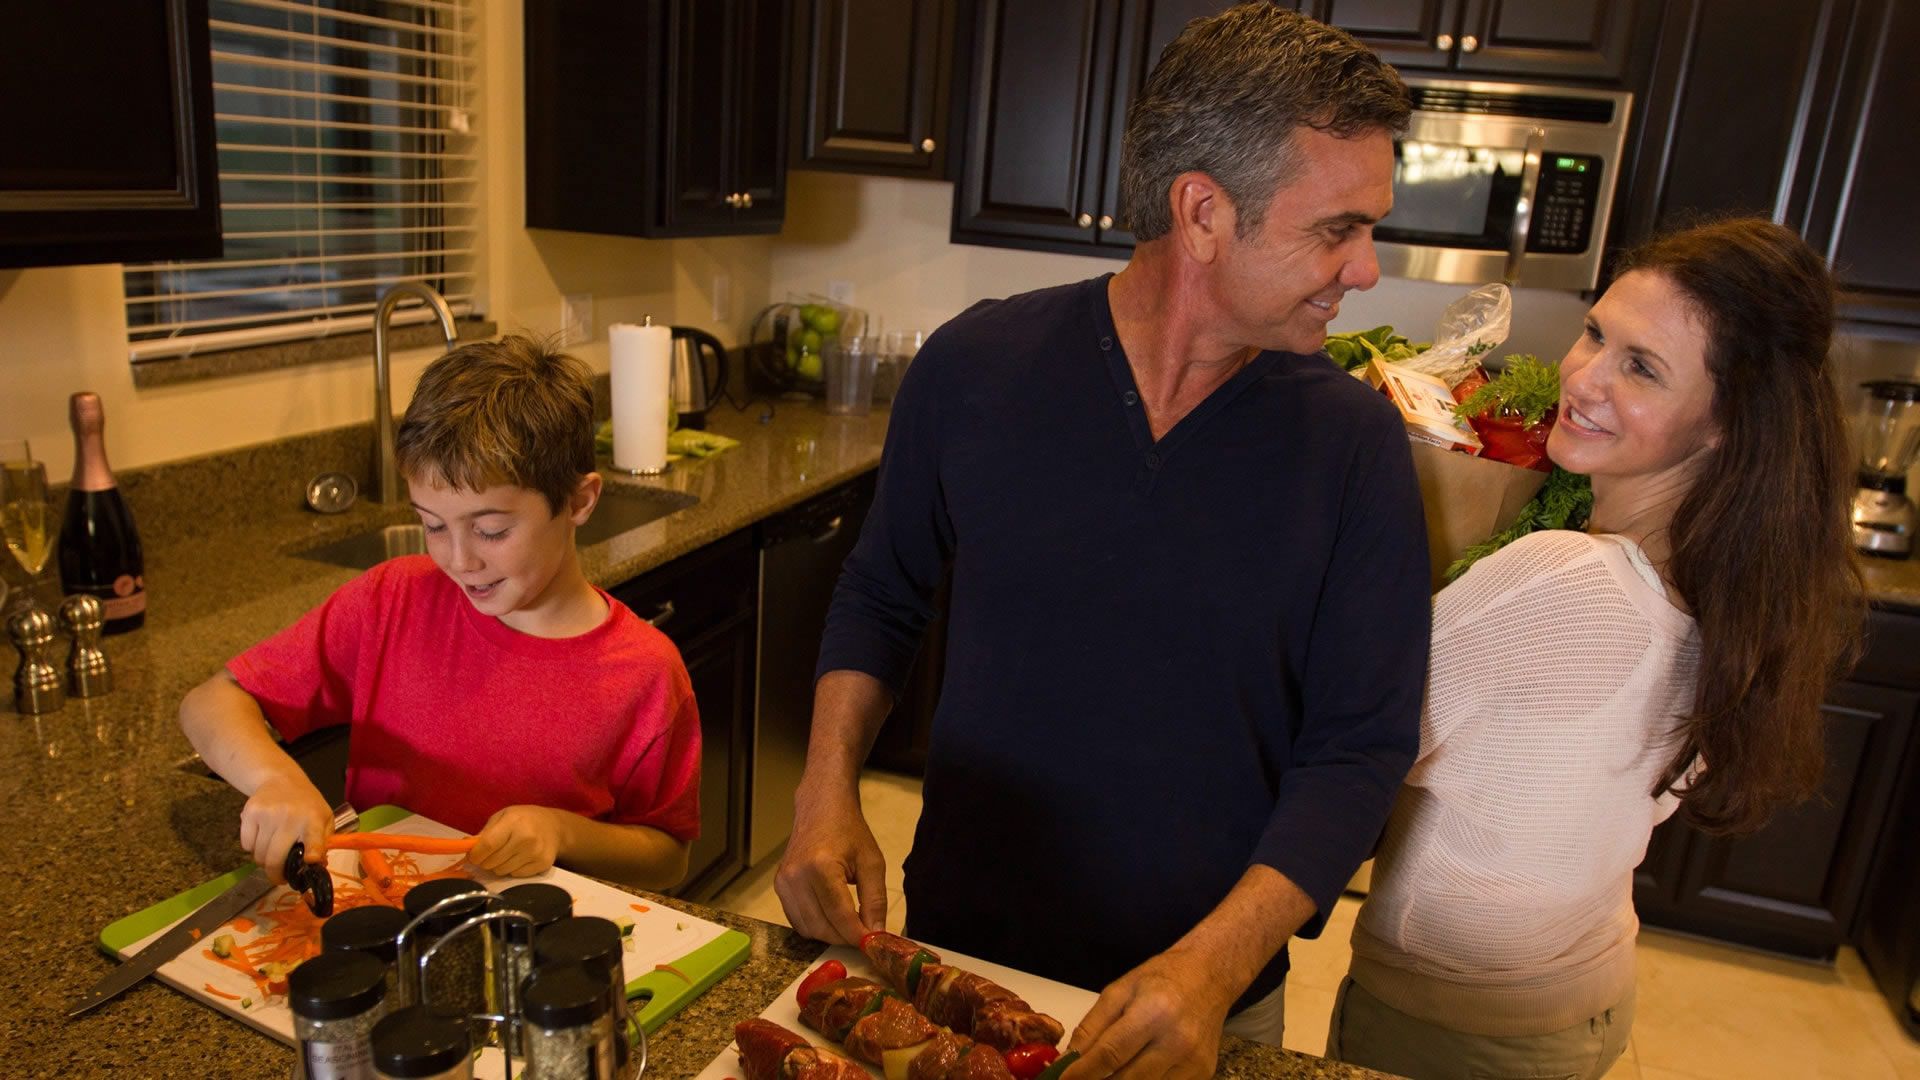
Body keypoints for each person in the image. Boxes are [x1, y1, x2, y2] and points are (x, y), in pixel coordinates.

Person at [775, 6, 1430, 1076]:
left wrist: (1213, 972)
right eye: (1335, 229)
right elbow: (882, 593)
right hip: (957, 956)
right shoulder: (976, 367)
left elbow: (1359, 750)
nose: (1364, 269)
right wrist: (825, 789)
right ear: (1203, 211)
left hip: (1202, 999)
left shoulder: (1353, 446)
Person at [1330, 218, 1866, 1080]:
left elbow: (1352, 733)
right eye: (1595, 334)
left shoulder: (1560, 580)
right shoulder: (1738, 586)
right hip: (1583, 990)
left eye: (1641, 366)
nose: (1584, 378)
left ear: (1727, 421)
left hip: (1457, 1025)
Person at [179, 335, 701, 890]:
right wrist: (276, 780)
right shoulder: (391, 601)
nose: (459, 559)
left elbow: (667, 858)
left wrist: (563, 832)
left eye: (491, 529)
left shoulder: (644, 673)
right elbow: (211, 701)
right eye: (432, 524)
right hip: (386, 911)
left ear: (578, 502)